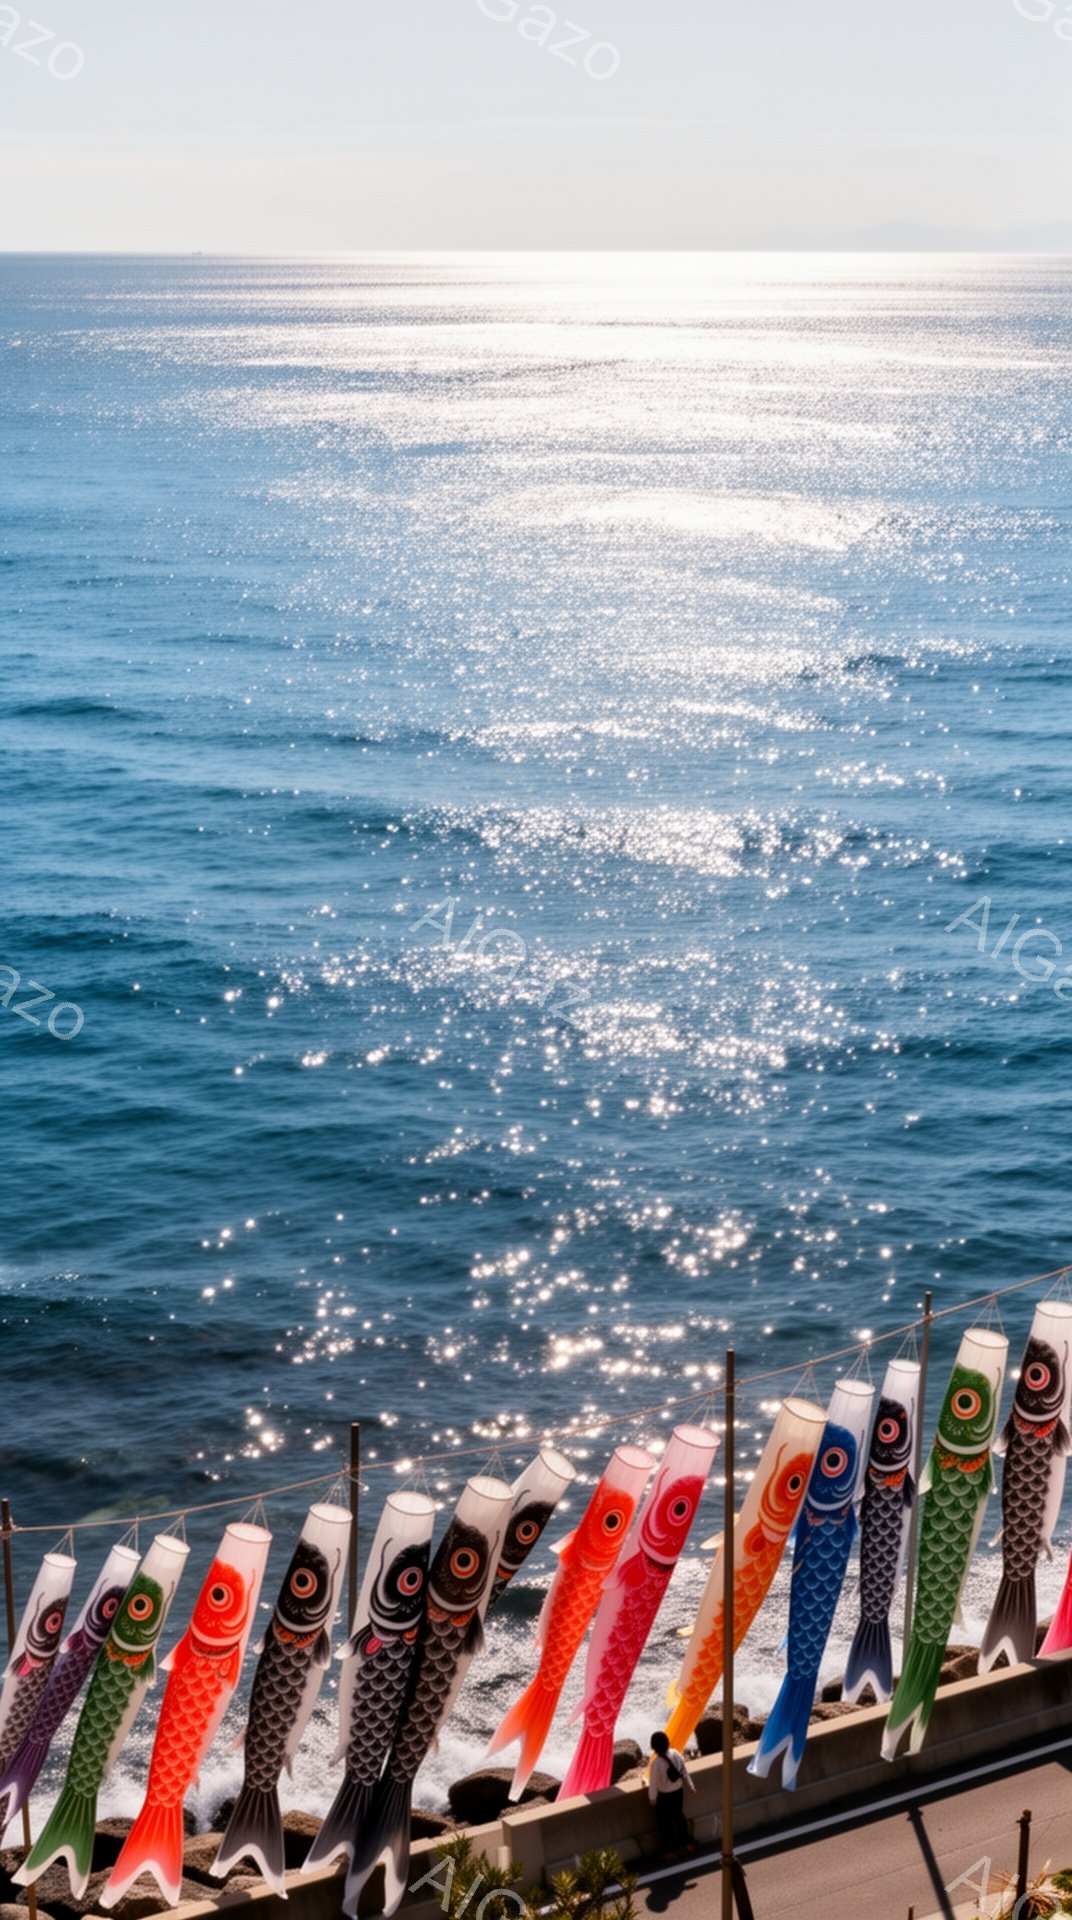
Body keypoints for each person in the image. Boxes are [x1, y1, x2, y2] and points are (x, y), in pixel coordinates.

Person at [648, 1729, 696, 1859]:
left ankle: (670, 1851)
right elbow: (684, 1770)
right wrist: (691, 1785)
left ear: (653, 1747)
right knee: (679, 1817)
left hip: (664, 1796)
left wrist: (652, 1798)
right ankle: (686, 1844)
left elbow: (653, 1783)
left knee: (665, 1823)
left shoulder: (656, 1763)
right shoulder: (676, 1754)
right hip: (679, 1791)